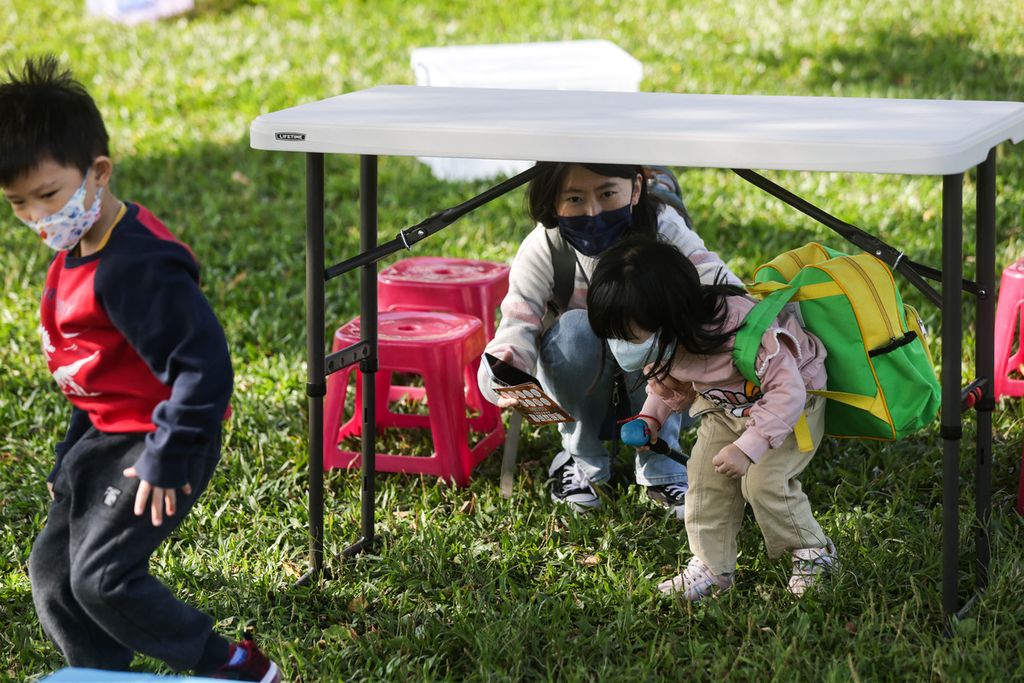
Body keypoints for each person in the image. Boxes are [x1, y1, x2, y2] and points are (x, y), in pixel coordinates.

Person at [0, 56, 281, 681]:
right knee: (51, 577)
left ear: (97, 172)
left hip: (160, 436)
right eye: (18, 204)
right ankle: (104, 672)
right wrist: (69, 454)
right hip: (105, 436)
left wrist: (168, 454)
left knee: (102, 578)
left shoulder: (137, 268)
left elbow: (205, 366)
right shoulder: (78, 243)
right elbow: (94, 374)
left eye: (47, 195)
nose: (36, 217)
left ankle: (233, 664)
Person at [477, 161, 740, 516]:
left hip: (667, 396)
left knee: (650, 320)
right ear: (553, 201)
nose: (593, 211)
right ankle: (580, 459)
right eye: (574, 197)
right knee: (574, 329)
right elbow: (516, 325)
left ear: (635, 188)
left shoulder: (661, 228)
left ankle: (663, 466)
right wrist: (507, 367)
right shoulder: (544, 247)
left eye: (607, 193)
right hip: (576, 397)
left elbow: (723, 287)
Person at [587, 233, 837, 600]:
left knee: (763, 481)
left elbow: (789, 392)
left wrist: (749, 446)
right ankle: (712, 566)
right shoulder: (667, 341)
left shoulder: (743, 332)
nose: (620, 344)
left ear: (670, 315)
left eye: (627, 335)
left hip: (790, 407)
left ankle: (813, 551)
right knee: (702, 478)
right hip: (728, 409)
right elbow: (665, 385)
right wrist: (651, 418)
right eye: (613, 335)